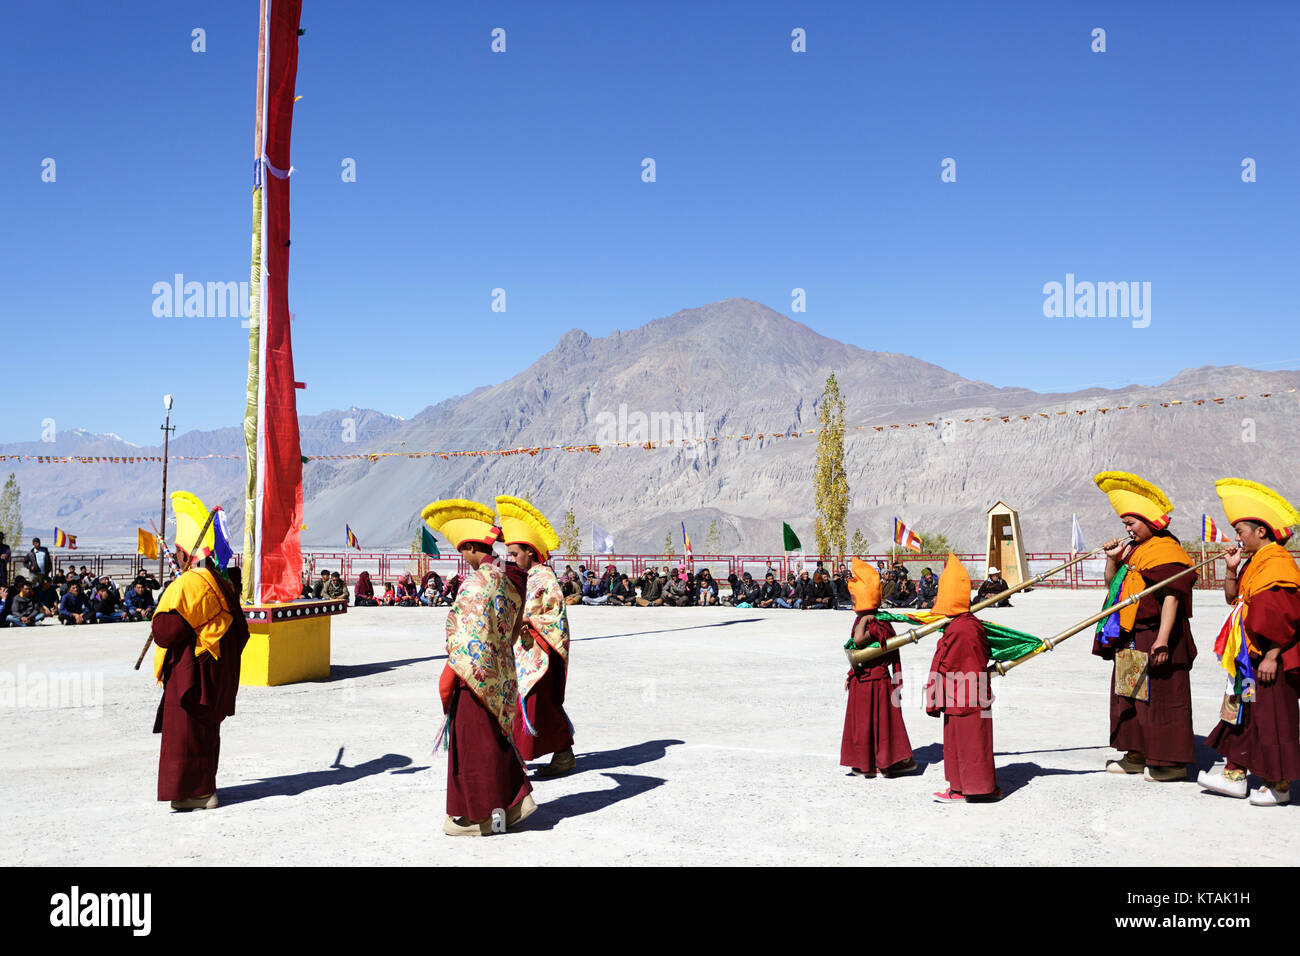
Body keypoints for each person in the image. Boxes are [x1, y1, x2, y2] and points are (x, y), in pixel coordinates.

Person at [423, 499, 535, 836]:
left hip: (473, 675)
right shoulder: (507, 578)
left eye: (464, 552)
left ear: (471, 548)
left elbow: (462, 635)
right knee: (494, 740)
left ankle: (479, 818)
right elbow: (513, 627)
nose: (465, 559)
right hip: (500, 673)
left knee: (474, 746)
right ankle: (515, 803)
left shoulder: (475, 584)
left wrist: (450, 676)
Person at [1199, 479, 1300, 806]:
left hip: (1270, 658)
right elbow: (1235, 600)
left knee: (1272, 718)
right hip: (1246, 657)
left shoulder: (1278, 563)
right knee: (1242, 711)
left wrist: (1272, 655)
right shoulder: (1255, 561)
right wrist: (1231, 570)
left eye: (1241, 530)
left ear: (1261, 531)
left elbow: (1284, 617)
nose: (1237, 537)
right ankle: (1235, 775)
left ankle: (1279, 784)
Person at [1091, 471, 1197, 782]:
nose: (1127, 530)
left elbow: (1172, 598)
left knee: (1163, 699)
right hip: (1131, 635)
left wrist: (1162, 640)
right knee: (1130, 695)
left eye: (1131, 524)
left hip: (1158, 635)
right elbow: (1115, 587)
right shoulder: (1135, 551)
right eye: (1125, 524)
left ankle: (1170, 762)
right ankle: (1135, 754)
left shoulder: (1166, 551)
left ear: (1150, 522)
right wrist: (1113, 559)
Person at [151, 561, 249, 810]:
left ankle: (199, 792)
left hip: (193, 677)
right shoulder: (222, 588)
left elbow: (165, 631)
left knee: (187, 735)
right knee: (201, 734)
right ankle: (197, 791)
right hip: (213, 673)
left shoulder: (193, 584)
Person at [497, 495, 576, 777]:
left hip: (540, 652)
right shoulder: (524, 576)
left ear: (530, 552)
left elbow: (556, 615)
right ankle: (558, 755)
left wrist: (529, 621)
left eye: (516, 554)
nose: (512, 559)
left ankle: (537, 756)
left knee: (535, 704)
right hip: (524, 652)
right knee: (532, 705)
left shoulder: (545, 577)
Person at [925, 552, 999, 802]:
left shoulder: (962, 628)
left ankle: (973, 789)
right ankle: (967, 786)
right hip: (966, 694)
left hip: (965, 694)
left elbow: (953, 663)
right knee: (965, 743)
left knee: (970, 743)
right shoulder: (967, 623)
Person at [842, 559, 916, 778]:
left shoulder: (877, 622)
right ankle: (865, 763)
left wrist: (865, 619)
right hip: (862, 678)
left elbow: (859, 640)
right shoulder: (866, 619)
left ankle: (888, 763)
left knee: (882, 724)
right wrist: (849, 675)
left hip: (878, 680)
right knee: (864, 724)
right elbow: (855, 648)